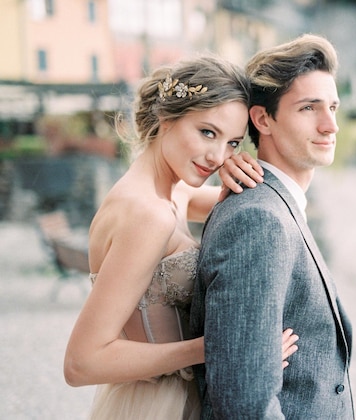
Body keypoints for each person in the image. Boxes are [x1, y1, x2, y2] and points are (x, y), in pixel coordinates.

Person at [63, 53, 299, 420]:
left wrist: (243, 172)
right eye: (207, 132)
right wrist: (217, 346)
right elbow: (81, 363)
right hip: (160, 405)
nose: (216, 155)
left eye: (233, 143)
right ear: (166, 119)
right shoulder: (149, 215)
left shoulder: (171, 191)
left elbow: (251, 212)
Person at [190, 34, 354, 419]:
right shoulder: (259, 220)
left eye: (333, 106)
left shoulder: (279, 206)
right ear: (263, 119)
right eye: (309, 108)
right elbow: (246, 403)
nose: (330, 125)